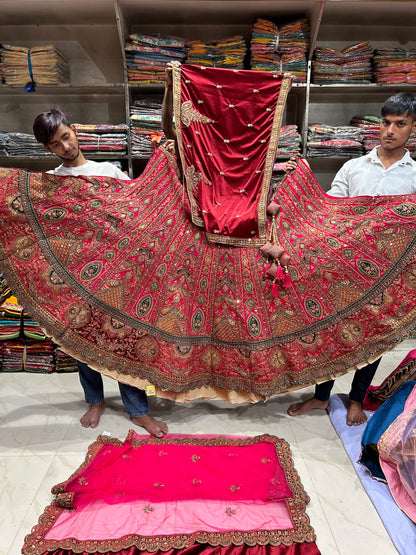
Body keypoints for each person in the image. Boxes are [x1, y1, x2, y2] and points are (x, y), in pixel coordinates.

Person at [32, 107, 168, 437]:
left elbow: (139, 207)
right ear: (48, 149)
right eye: (55, 144)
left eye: (66, 136)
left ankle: (138, 410)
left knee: (124, 341)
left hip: (117, 273)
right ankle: (95, 400)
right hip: (75, 275)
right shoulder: (51, 184)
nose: (64, 147)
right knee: (80, 342)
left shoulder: (108, 171)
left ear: (74, 130)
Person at [287, 91, 416, 426]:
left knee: (374, 336)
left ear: (412, 128)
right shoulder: (354, 166)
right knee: (332, 333)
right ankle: (320, 396)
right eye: (386, 122)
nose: (390, 130)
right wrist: (298, 184)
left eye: (400, 124)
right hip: (344, 268)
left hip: (389, 273)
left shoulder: (414, 175)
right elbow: (328, 209)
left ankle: (356, 400)